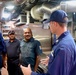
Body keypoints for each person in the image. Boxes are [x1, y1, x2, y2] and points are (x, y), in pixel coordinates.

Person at [20, 10, 76, 75]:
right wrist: (52, 60)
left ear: (54, 24)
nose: (49, 26)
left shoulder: (64, 47)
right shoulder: (63, 40)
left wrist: (30, 73)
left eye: (50, 23)